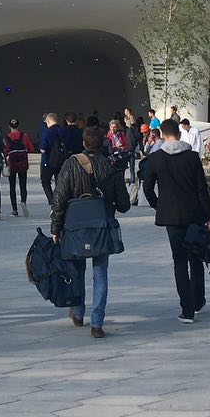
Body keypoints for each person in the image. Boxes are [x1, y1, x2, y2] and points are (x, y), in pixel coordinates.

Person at [50, 125, 131, 338]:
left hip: (75, 226)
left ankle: (77, 312)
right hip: (101, 226)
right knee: (100, 272)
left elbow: (59, 199)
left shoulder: (71, 164)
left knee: (76, 270)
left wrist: (55, 228)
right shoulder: (111, 166)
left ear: (84, 143)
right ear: (103, 142)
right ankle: (97, 322)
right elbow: (123, 205)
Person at [140, 118, 210, 324]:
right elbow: (202, 190)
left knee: (179, 260)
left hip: (171, 216)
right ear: (180, 134)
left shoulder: (156, 159)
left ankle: (187, 309)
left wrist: (158, 205)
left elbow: (147, 188)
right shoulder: (192, 157)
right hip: (194, 214)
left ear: (163, 135)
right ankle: (198, 300)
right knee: (196, 256)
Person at [3, 118, 33, 217]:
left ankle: (14, 209)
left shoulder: (7, 137)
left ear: (9, 126)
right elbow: (30, 148)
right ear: (18, 126)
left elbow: (5, 151)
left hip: (12, 164)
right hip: (23, 164)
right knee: (23, 184)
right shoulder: (24, 135)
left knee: (12, 187)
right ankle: (23, 201)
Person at [38, 113, 65, 201]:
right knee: (60, 182)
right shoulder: (63, 130)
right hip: (62, 161)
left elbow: (43, 149)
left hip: (49, 161)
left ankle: (52, 201)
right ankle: (59, 200)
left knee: (45, 181)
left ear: (48, 121)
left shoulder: (47, 131)